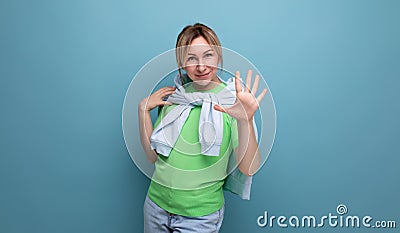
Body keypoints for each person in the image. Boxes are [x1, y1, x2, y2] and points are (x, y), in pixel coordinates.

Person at [138, 23, 267, 233]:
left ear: (218, 57)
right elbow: (153, 157)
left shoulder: (232, 103)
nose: (201, 66)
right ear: (181, 63)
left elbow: (248, 168)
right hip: (155, 207)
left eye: (208, 55)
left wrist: (245, 120)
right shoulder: (175, 98)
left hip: (199, 217)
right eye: (191, 58)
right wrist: (143, 111)